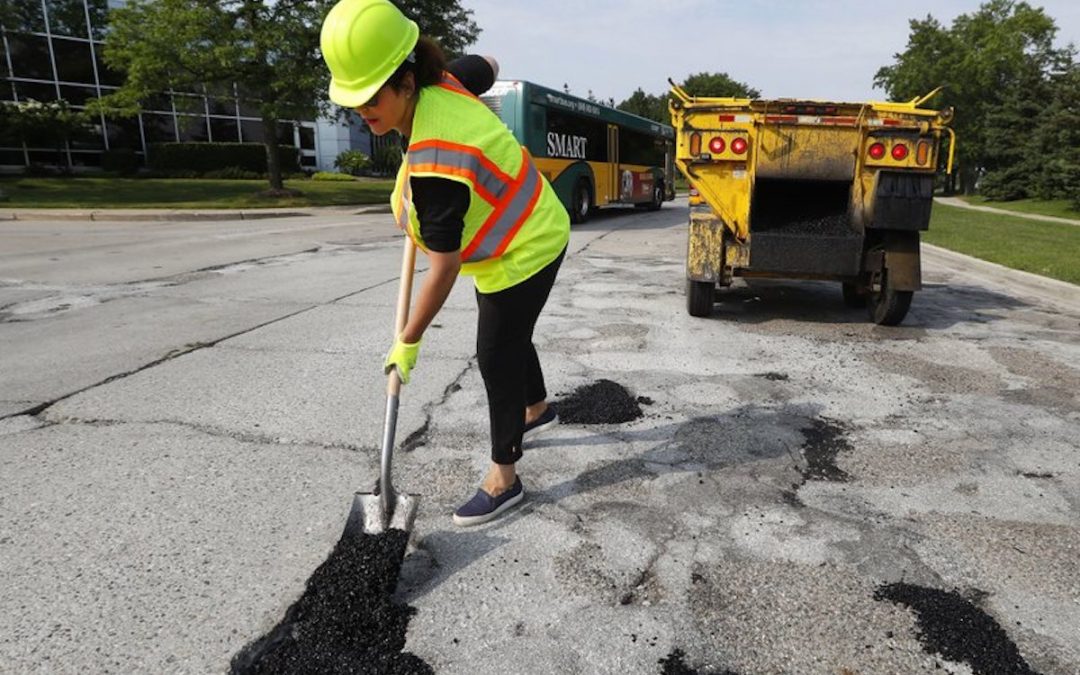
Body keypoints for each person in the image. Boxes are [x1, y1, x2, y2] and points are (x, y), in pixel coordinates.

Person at [321, 0, 570, 527]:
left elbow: (444, 267)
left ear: (406, 82)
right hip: (517, 228)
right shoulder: (447, 79)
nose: (362, 111)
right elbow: (489, 65)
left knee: (495, 351)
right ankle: (537, 409)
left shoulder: (439, 160)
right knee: (510, 332)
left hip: (529, 243)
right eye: (354, 100)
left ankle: (505, 478)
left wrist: (407, 340)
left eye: (371, 97)